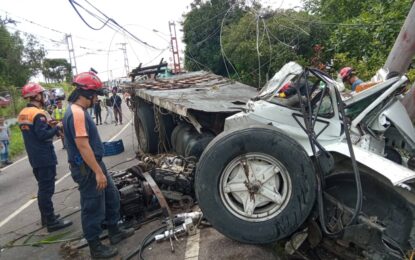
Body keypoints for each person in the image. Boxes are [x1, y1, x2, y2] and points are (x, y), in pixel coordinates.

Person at [63, 72, 134, 258]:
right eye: (95, 94)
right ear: (86, 94)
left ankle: (114, 232)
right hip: (87, 169)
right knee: (93, 206)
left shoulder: (79, 111)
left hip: (94, 164)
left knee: (111, 196)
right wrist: (98, 172)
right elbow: (82, 145)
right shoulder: (77, 113)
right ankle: (95, 247)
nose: (96, 98)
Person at [17, 83, 73, 232]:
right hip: (44, 155)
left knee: (43, 187)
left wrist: (49, 125)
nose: (44, 96)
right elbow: (42, 135)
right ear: (36, 96)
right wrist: (57, 127)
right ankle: (51, 221)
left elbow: (32, 133)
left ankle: (46, 217)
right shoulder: (38, 114)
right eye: (41, 94)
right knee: (46, 189)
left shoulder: (23, 113)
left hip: (34, 156)